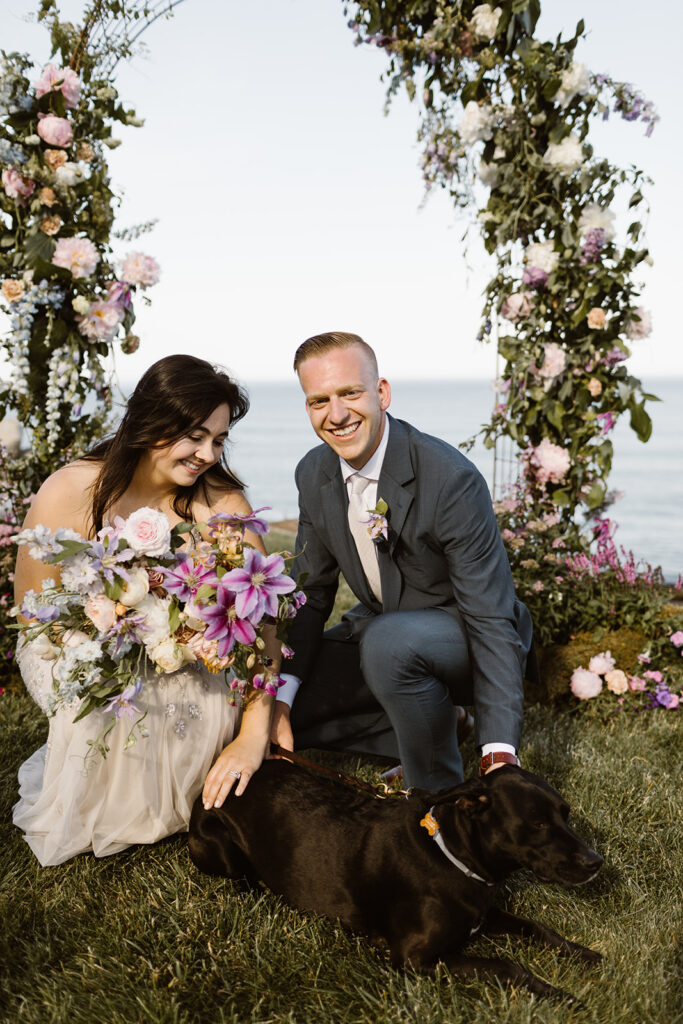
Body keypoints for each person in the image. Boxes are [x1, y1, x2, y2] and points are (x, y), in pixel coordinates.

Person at [13, 354, 280, 866]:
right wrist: (97, 637)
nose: (207, 454)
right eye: (195, 435)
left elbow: (264, 626)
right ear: (151, 422)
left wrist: (254, 731)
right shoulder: (73, 489)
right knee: (114, 692)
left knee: (188, 690)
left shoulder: (223, 506)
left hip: (187, 653)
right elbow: (34, 615)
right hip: (71, 648)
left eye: (219, 440)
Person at [270, 332, 534, 790]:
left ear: (382, 393)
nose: (336, 415)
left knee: (390, 643)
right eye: (319, 401)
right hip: (380, 635)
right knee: (278, 705)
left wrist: (499, 752)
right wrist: (280, 701)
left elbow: (492, 619)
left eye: (350, 393)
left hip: (466, 635)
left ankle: (435, 789)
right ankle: (438, 727)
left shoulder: (450, 479)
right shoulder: (312, 472)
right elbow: (311, 596)